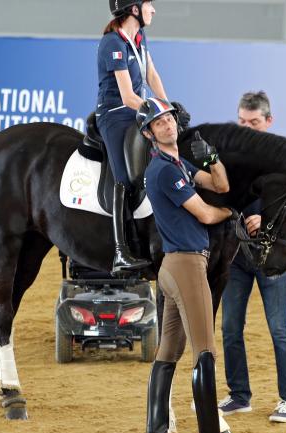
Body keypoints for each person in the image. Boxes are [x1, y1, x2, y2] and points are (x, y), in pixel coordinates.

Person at [139, 98, 235, 433]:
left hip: (175, 266)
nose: (166, 125)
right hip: (186, 265)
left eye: (168, 119)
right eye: (158, 123)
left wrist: (213, 158)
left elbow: (220, 184)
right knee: (205, 351)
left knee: (169, 350)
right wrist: (232, 213)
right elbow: (208, 214)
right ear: (149, 134)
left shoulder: (177, 163)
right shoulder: (163, 170)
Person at [217, 91, 286, 423]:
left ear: (269, 121)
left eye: (253, 122)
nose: (246, 128)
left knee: (279, 327)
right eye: (241, 122)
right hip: (237, 257)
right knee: (230, 327)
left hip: (271, 258)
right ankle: (239, 396)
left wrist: (267, 220)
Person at [97, 0, 186, 273]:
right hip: (115, 114)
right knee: (124, 177)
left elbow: (152, 74)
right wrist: (157, 111)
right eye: (149, 4)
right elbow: (127, 96)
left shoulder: (139, 37)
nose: (154, 10)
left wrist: (168, 107)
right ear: (134, 9)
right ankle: (120, 252)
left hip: (138, 111)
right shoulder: (112, 43)